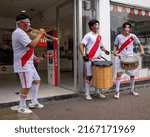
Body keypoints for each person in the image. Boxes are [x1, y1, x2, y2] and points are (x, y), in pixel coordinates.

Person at [11, 13, 46, 114]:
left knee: (36, 80)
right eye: (27, 23)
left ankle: (33, 102)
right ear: (20, 23)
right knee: (26, 85)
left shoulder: (22, 33)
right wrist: (40, 34)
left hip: (28, 62)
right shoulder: (18, 32)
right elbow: (32, 45)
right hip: (23, 63)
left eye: (29, 23)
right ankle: (22, 106)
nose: (29, 25)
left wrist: (35, 58)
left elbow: (27, 48)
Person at [79, 19, 110, 100]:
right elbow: (81, 45)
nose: (97, 26)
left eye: (98, 25)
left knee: (98, 76)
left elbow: (101, 46)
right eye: (95, 25)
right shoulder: (88, 35)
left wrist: (105, 50)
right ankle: (87, 93)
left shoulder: (99, 36)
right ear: (91, 26)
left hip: (99, 59)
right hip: (90, 59)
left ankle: (97, 92)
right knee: (89, 76)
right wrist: (83, 55)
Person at [113, 22, 144, 99]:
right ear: (123, 28)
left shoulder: (133, 36)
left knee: (132, 75)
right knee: (119, 74)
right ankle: (117, 91)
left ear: (130, 29)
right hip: (121, 58)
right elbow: (115, 45)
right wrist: (114, 52)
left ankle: (132, 90)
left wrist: (142, 50)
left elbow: (139, 44)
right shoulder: (118, 37)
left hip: (130, 59)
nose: (127, 28)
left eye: (128, 27)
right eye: (125, 27)